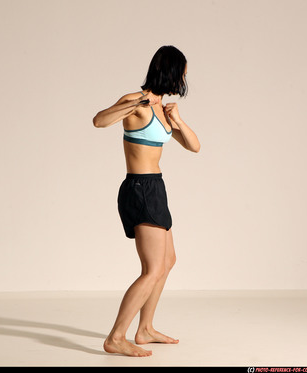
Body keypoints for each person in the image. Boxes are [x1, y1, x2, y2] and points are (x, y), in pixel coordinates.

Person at [92, 45, 200, 357]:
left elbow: (194, 146)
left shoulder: (163, 111)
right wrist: (136, 101)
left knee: (167, 262)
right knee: (152, 268)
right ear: (170, 72)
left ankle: (145, 329)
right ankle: (115, 337)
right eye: (182, 72)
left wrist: (177, 120)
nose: (184, 78)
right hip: (139, 187)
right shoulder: (135, 102)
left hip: (156, 187)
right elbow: (99, 121)